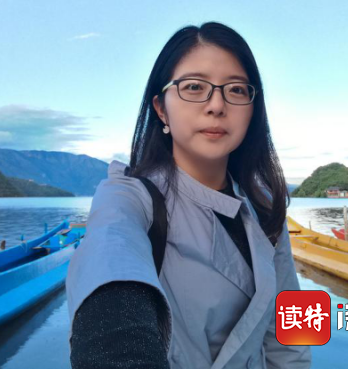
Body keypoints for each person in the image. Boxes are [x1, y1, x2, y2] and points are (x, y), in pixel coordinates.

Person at [66, 22, 312, 369]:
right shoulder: (130, 196)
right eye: (194, 87)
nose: (216, 105)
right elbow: (110, 263)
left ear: (253, 107)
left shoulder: (266, 206)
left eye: (236, 89)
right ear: (160, 108)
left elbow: (295, 326)